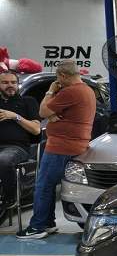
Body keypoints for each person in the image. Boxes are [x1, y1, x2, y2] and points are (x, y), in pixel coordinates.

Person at [17, 62, 96, 239]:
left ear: (62, 76)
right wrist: (53, 114)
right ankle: (48, 222)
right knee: (49, 185)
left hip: (61, 146)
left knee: (43, 185)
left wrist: (50, 91)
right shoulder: (87, 90)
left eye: (57, 78)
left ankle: (38, 227)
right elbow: (54, 113)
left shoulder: (70, 91)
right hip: (74, 144)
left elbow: (42, 111)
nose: (57, 81)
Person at [0, 70, 41, 212]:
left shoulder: (28, 101)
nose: (10, 85)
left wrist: (15, 116)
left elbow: (36, 129)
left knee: (3, 160)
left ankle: (9, 198)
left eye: (13, 82)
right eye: (5, 82)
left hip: (16, 148)